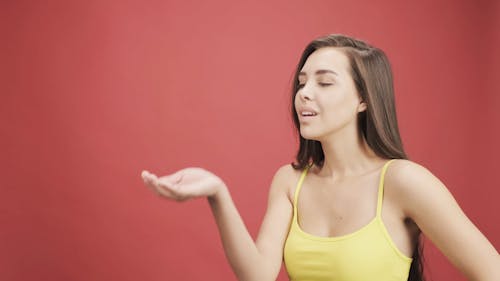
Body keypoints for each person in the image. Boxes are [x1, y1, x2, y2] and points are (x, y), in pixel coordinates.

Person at [141, 34, 499, 281]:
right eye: (302, 82)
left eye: (324, 83)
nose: (304, 94)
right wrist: (217, 193)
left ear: (364, 100)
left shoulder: (403, 181)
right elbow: (258, 275)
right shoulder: (290, 182)